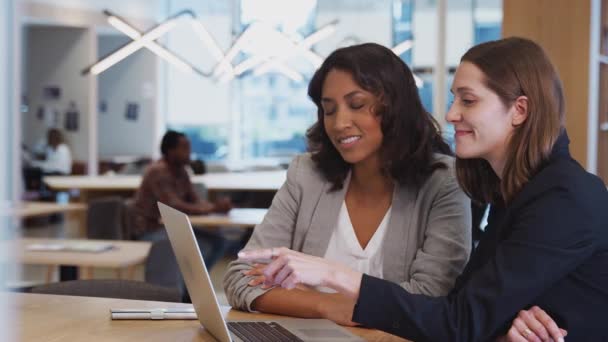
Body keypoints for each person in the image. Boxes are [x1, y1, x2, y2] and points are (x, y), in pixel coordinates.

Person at [239, 37, 608, 341]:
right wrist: (503, 329)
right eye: (454, 99)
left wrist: (332, 276)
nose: (451, 114)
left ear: (520, 111)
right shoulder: (514, 191)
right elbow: (468, 310)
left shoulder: (563, 197)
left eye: (468, 100)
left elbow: (458, 319)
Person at [223, 43, 472, 324]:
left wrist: (304, 293)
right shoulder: (307, 174)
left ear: (395, 106)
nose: (340, 122)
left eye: (356, 105)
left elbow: (428, 298)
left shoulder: (444, 182)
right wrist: (326, 305)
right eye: (329, 110)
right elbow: (240, 278)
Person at [132, 130, 232, 269]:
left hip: (172, 227)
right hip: (151, 229)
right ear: (170, 151)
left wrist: (215, 206)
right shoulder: (158, 172)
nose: (189, 152)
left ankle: (191, 288)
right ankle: (185, 288)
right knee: (193, 246)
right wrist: (213, 208)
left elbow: (194, 201)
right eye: (184, 148)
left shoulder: (181, 171)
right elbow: (174, 206)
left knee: (219, 241)